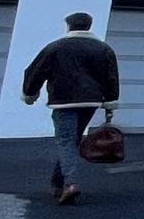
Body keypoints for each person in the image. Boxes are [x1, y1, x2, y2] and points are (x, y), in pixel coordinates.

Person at [21, 11, 122, 204]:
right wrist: (110, 103)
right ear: (89, 26)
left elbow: (35, 71)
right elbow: (111, 77)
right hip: (91, 101)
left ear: (69, 26)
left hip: (64, 99)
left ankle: (71, 183)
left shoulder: (56, 47)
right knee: (71, 140)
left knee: (66, 140)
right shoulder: (103, 49)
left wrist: (30, 93)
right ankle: (57, 185)